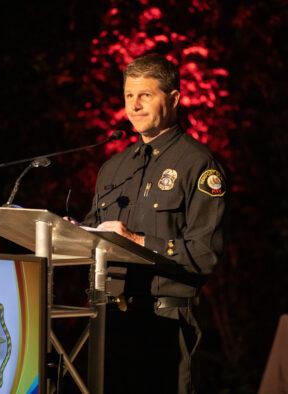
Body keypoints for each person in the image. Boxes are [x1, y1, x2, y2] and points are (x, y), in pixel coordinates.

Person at [82, 53, 227, 393]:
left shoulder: (199, 165)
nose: (135, 105)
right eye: (129, 95)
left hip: (165, 322)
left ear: (174, 98)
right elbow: (91, 232)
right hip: (110, 321)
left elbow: (204, 254)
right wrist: (71, 231)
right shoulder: (114, 167)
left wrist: (135, 239)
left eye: (145, 95)